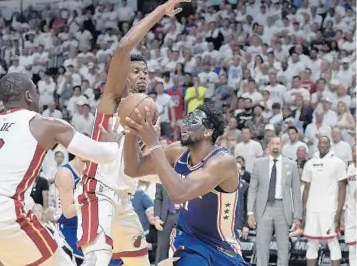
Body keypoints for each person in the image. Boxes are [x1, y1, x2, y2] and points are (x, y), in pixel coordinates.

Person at [74, 0, 192, 266]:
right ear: (123, 74)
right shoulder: (112, 100)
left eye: (145, 71)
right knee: (98, 259)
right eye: (136, 70)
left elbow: (145, 166)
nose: (142, 75)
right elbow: (122, 49)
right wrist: (161, 11)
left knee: (140, 263)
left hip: (125, 199)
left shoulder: (146, 116)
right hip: (98, 192)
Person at [0, 72, 121, 266]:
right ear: (29, 96)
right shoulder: (44, 123)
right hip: (4, 213)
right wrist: (113, 144)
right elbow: (103, 155)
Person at [123, 102, 247, 266]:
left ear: (208, 131)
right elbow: (133, 169)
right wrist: (132, 132)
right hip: (189, 240)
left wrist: (154, 144)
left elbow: (179, 194)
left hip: (223, 247)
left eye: (193, 121)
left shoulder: (223, 161)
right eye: (186, 120)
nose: (185, 125)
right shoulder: (177, 151)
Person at [247, 136, 302, 266]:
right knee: (261, 248)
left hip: (283, 208)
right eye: (272, 143)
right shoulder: (258, 163)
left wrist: (298, 216)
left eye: (278, 143)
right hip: (263, 208)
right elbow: (252, 189)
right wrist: (250, 212)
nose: (275, 146)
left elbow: (296, 192)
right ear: (269, 146)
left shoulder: (291, 164)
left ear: (282, 146)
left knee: (283, 249)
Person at [302, 136, 347, 266]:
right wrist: (304, 210)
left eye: (325, 143)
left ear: (329, 145)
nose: (322, 145)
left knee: (332, 242)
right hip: (312, 209)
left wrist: (339, 212)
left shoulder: (337, 162)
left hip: (329, 209)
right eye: (320, 143)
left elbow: (342, 188)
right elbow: (306, 188)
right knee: (312, 244)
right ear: (317, 145)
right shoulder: (309, 163)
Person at [55, 154, 86, 265]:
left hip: (87, 224)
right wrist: (92, 200)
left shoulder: (95, 170)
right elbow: (68, 212)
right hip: (68, 225)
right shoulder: (66, 173)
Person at [154, 183, 180, 265]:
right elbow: (158, 198)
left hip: (183, 215)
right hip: (166, 217)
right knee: (162, 249)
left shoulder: (188, 171)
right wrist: (157, 217)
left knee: (181, 248)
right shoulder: (161, 174)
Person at [345, 145, 356, 266]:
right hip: (351, 211)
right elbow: (345, 191)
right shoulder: (349, 169)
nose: (355, 154)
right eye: (354, 152)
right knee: (352, 245)